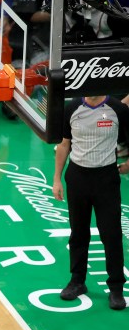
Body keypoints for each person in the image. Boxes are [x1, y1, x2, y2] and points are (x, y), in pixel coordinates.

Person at [52, 94, 129, 311]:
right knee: (78, 232)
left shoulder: (117, 109)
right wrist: (57, 179)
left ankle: (116, 288)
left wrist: (128, 165)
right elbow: (64, 145)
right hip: (77, 178)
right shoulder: (72, 108)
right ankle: (77, 281)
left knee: (111, 235)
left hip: (106, 179)